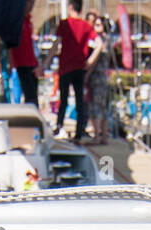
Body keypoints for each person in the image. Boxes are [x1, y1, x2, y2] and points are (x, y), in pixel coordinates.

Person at [45, 0, 94, 140]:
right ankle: (79, 131)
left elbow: (56, 45)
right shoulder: (86, 26)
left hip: (66, 67)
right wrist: (90, 61)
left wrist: (46, 63)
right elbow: (99, 44)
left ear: (70, 7)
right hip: (80, 68)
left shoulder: (64, 24)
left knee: (64, 99)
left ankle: (59, 126)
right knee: (80, 100)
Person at [83, 12, 113, 145]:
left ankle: (97, 136)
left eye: (98, 24)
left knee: (95, 106)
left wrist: (87, 75)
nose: (96, 26)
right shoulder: (109, 40)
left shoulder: (98, 41)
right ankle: (104, 136)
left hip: (96, 76)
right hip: (104, 76)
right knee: (104, 107)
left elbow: (93, 61)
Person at [9, 1, 40, 106]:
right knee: (30, 95)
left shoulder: (28, 21)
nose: (31, 6)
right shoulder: (16, 21)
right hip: (21, 63)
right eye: (29, 3)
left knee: (33, 94)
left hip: (31, 62)